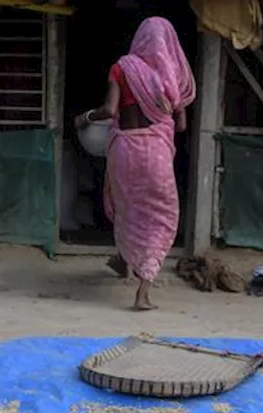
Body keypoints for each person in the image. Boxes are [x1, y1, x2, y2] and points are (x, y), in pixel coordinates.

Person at [75, 17, 196, 311]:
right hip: (155, 152)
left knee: (127, 208)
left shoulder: (123, 68)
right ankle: (143, 292)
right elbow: (180, 127)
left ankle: (124, 261)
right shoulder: (170, 78)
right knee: (161, 217)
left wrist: (84, 118)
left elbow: (109, 110)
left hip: (124, 151)